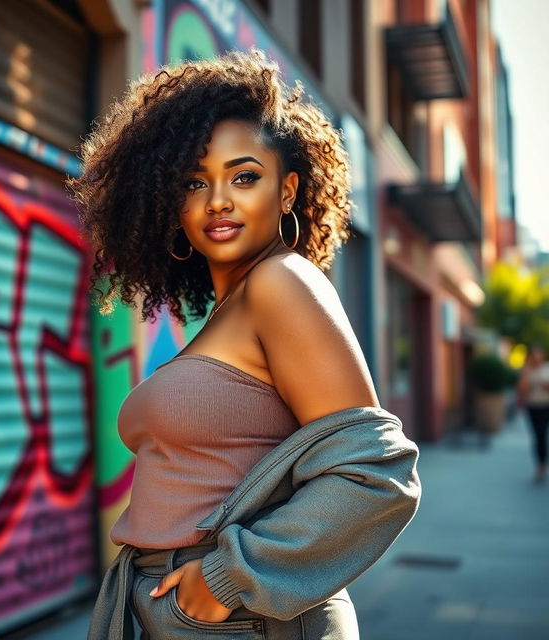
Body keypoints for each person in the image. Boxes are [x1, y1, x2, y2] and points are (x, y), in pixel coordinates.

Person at [68, 48, 421, 640]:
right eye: (194, 181)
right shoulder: (228, 308)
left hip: (241, 614)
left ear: (287, 191)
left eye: (244, 176)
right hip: (181, 605)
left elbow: (375, 471)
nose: (218, 200)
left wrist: (225, 581)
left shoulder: (281, 281)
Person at [517, 344, 549, 483]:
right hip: (534, 407)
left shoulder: (547, 368)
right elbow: (522, 390)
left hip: (547, 405)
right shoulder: (526, 370)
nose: (536, 358)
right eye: (533, 356)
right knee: (539, 436)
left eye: (538, 355)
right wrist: (527, 372)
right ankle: (541, 465)